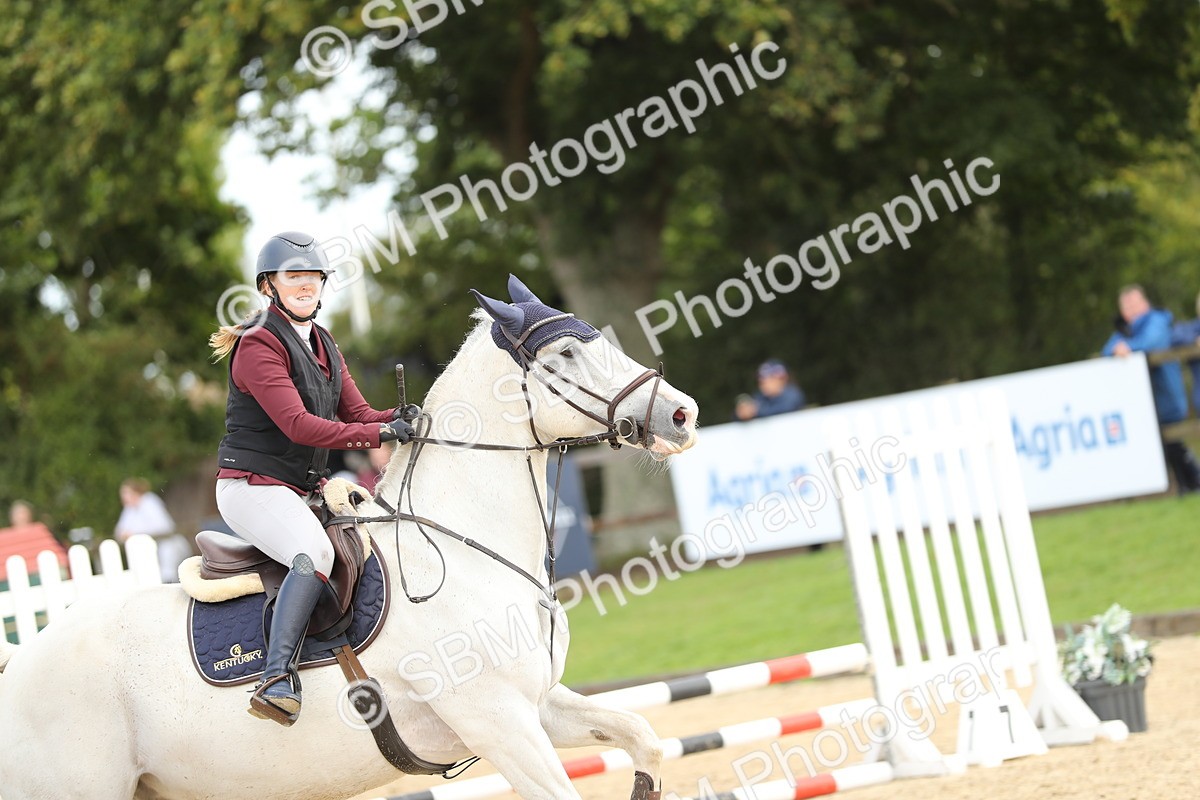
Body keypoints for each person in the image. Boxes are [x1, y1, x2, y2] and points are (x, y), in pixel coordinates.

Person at [208, 231, 415, 726]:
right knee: (316, 553)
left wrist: (403, 416)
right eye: (293, 276)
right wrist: (382, 432)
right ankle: (275, 677)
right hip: (251, 488)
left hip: (296, 490)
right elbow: (299, 425)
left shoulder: (323, 342)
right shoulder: (258, 344)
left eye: (313, 277)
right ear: (268, 286)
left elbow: (359, 412)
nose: (305, 285)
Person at [1102, 284, 1200, 494]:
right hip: (1145, 400)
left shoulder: (1156, 321)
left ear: (1145, 303)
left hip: (1167, 394)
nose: (1132, 310)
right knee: (1168, 444)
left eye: (1135, 304)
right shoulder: (1125, 331)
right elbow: (1108, 348)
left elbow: (1152, 342)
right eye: (1127, 306)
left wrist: (1128, 348)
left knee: (1175, 442)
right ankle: (1187, 486)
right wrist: (1117, 348)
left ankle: (1192, 482)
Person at [114, 478, 192, 583]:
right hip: (149, 551)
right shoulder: (129, 509)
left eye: (126, 493)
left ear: (135, 492)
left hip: (169, 547)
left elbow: (161, 527)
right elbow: (120, 530)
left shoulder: (149, 501)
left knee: (170, 577)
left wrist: (134, 533)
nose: (124, 497)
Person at [734, 359, 806, 421]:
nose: (764, 384)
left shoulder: (792, 394)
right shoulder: (760, 396)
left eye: (769, 378)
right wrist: (742, 413)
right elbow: (737, 416)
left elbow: (784, 410)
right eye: (761, 380)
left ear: (782, 379)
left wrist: (756, 411)